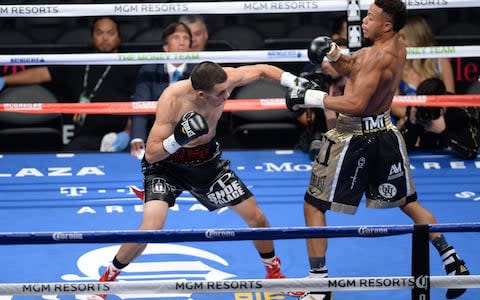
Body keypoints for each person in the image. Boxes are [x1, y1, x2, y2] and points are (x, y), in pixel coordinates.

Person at [285, 0, 470, 299]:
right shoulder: (396, 47)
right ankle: (453, 261)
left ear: (386, 25)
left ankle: (319, 286)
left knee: (313, 204)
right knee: (408, 202)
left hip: (353, 138)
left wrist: (312, 98)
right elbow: (358, 67)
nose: (363, 22)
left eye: (370, 17)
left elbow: (357, 103)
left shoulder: (377, 55)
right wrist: (335, 53)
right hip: (385, 132)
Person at [97, 61, 316, 298]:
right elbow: (151, 153)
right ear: (201, 94)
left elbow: (262, 70)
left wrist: (294, 81)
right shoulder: (173, 99)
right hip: (166, 166)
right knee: (151, 227)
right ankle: (106, 280)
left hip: (207, 163)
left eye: (227, 89)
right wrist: (178, 139)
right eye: (221, 93)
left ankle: (273, 274)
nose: (227, 95)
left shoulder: (224, 80)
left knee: (257, 218)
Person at [0, 17, 139, 152]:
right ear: (92, 37)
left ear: (119, 37)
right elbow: (41, 73)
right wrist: (5, 80)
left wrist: (128, 133)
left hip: (118, 137)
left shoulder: (129, 64)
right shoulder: (78, 61)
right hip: (85, 137)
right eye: (99, 33)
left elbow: (138, 103)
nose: (105, 37)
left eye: (110, 33)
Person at [130, 22, 196, 159]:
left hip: (191, 133)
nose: (182, 42)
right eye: (176, 37)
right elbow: (140, 104)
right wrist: (137, 137)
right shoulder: (149, 70)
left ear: (190, 47)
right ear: (166, 47)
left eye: (186, 38)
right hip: (156, 132)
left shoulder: (199, 72)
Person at [392, 15, 455, 125]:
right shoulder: (396, 65)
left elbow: (450, 100)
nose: (398, 42)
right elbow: (394, 107)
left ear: (416, 39)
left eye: (402, 37)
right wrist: (417, 118)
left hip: (438, 122)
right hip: (408, 121)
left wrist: (433, 120)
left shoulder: (440, 62)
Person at [401, 77, 480, 159]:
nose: (426, 110)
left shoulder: (461, 110)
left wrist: (444, 132)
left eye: (430, 106)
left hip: (455, 158)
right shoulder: (416, 108)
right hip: (428, 157)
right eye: (423, 106)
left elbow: (471, 151)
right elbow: (402, 148)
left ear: (443, 104)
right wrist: (411, 125)